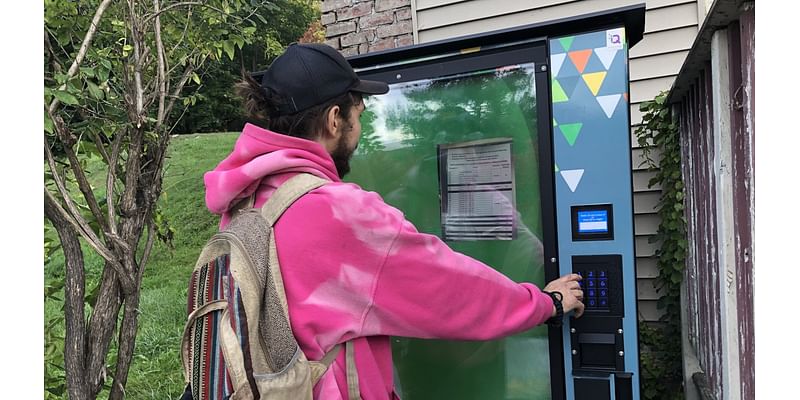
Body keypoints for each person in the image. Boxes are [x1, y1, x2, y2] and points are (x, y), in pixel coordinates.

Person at [204, 43, 584, 400]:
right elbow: (450, 288)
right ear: (335, 120)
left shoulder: (246, 199)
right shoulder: (338, 213)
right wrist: (546, 302)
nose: (360, 130)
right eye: (359, 116)